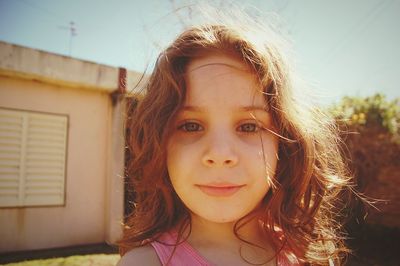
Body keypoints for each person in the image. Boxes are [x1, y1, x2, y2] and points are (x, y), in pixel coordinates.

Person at [117, 7, 351, 266]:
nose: (220, 154)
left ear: (285, 143)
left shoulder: (306, 255)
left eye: (249, 127)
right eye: (191, 126)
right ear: (160, 144)